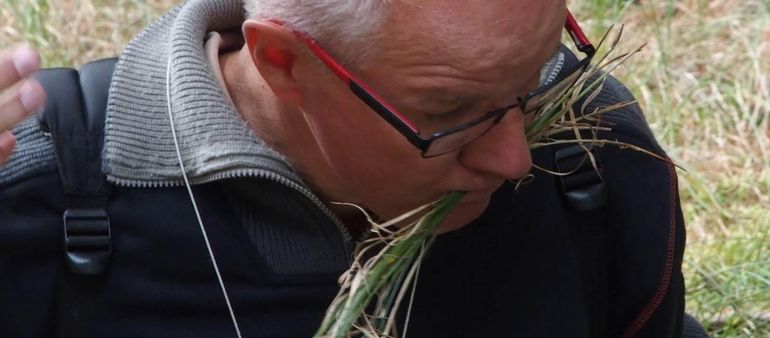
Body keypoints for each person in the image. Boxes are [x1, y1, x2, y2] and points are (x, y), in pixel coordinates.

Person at [0, 0, 687, 337]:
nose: (512, 158)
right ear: (282, 63)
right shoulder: (35, 203)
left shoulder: (589, 145)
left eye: (534, 73)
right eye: (451, 109)